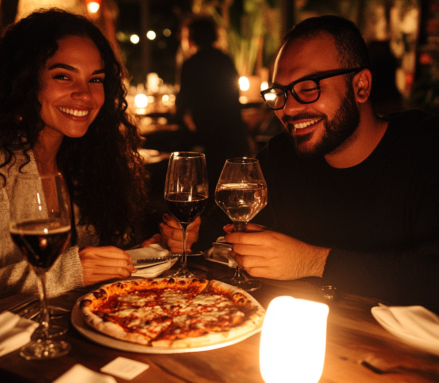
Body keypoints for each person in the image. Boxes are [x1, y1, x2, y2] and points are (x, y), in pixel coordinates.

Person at [160, 15, 439, 313]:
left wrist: (311, 261)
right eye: (280, 93)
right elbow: (220, 228)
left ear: (361, 86)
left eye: (308, 88)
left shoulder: (426, 148)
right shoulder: (281, 155)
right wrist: (188, 233)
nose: (289, 109)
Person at [0, 9, 152, 317]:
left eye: (96, 79)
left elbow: (103, 251)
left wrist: (150, 242)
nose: (84, 94)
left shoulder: (84, 155)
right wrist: (66, 273)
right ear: (25, 81)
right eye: (63, 76)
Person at [175, 15, 249, 197]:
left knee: (206, 179)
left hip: (206, 131)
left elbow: (182, 102)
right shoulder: (225, 60)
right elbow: (234, 96)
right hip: (230, 130)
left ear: (191, 37)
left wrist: (182, 123)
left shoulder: (191, 63)